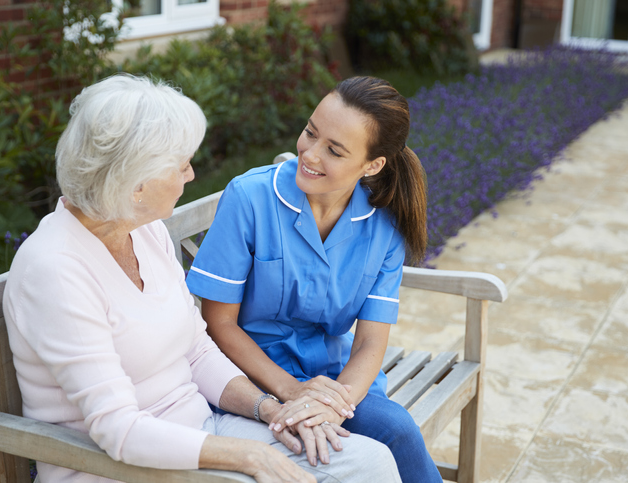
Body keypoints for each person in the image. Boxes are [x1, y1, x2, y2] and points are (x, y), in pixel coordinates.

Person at [2, 74, 401, 483]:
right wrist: (248, 456)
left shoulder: (144, 231)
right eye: (180, 165)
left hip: (200, 433)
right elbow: (118, 430)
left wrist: (273, 410)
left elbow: (197, 351)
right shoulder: (54, 270)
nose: (191, 175)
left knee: (371, 464)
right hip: (116, 467)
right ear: (135, 182)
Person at [185, 76, 441, 483]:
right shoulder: (249, 199)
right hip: (248, 381)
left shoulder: (385, 228)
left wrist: (331, 405)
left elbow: (372, 341)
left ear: (372, 165)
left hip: (334, 383)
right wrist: (291, 393)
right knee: (347, 455)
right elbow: (219, 324)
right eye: (310, 132)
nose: (311, 154)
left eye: (334, 150)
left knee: (397, 431)